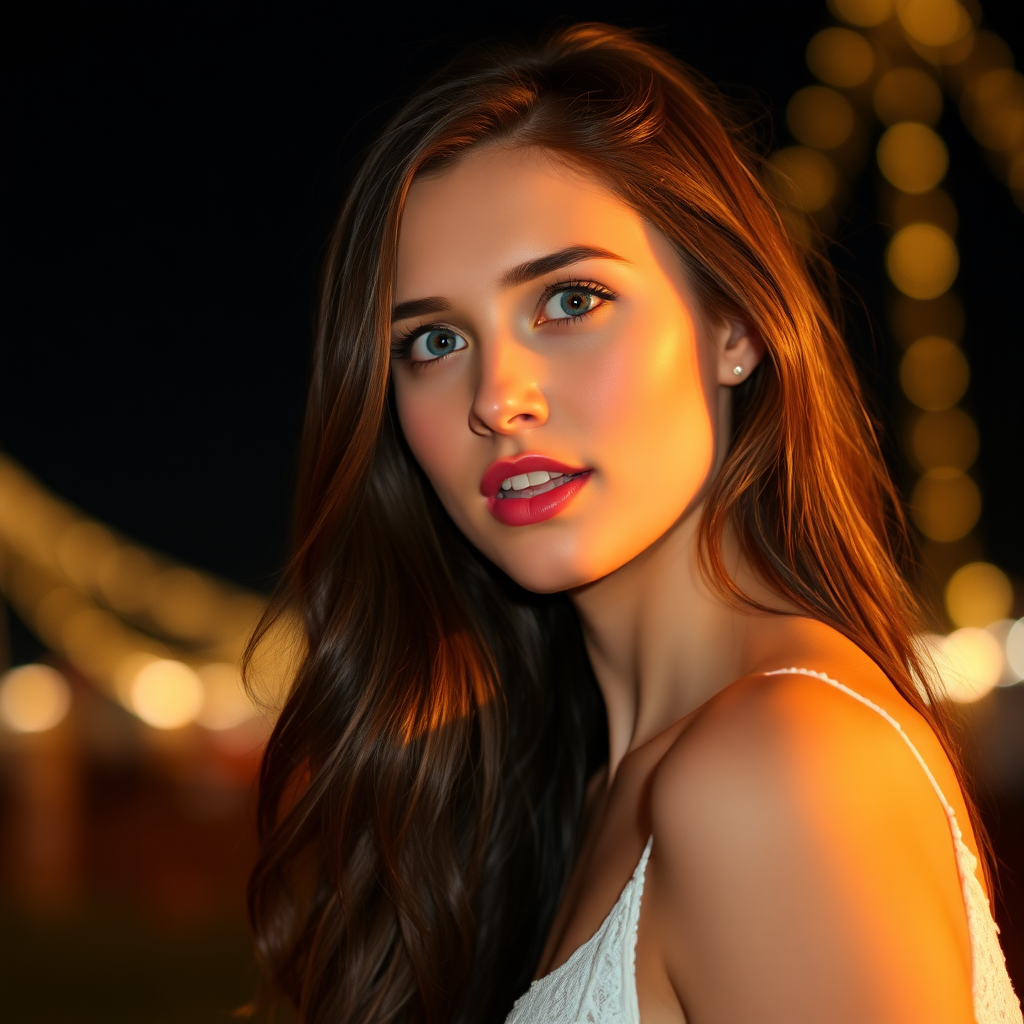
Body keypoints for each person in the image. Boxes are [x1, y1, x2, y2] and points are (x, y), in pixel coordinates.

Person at [244, 23, 1021, 1024]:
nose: (498, 397)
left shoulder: (775, 767)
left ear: (732, 327)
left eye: (570, 299)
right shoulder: (576, 784)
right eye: (433, 339)